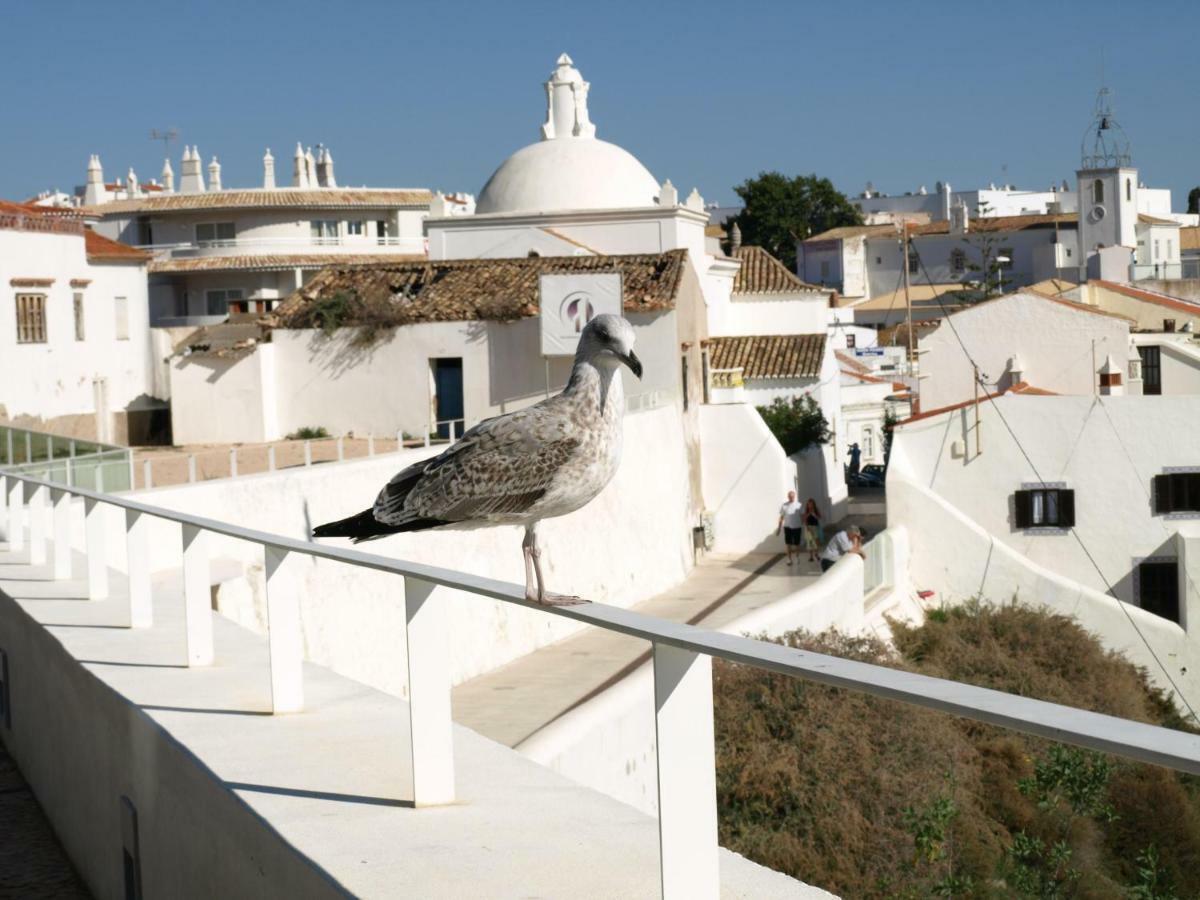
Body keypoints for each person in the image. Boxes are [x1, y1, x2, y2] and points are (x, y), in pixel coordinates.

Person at [776, 491, 804, 567]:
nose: (791, 498)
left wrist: (804, 525)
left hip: (797, 527)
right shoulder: (784, 505)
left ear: (794, 496)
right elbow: (781, 517)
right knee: (788, 544)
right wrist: (779, 528)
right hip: (787, 527)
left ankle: (797, 557)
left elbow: (802, 516)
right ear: (788, 497)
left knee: (797, 544)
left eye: (792, 496)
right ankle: (789, 559)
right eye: (790, 496)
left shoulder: (799, 505)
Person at [801, 498, 822, 563]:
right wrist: (808, 514)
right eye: (809, 504)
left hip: (815, 527)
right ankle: (811, 556)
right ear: (807, 505)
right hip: (808, 528)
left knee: (816, 541)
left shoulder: (816, 509)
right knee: (809, 542)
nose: (810, 505)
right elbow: (804, 520)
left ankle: (817, 554)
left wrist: (814, 515)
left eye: (811, 504)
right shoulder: (806, 511)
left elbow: (820, 517)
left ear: (813, 504)